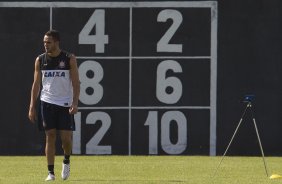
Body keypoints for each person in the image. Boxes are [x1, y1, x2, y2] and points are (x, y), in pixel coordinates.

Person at [28, 30, 80, 181]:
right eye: (44, 42)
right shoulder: (40, 60)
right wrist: (32, 106)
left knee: (65, 139)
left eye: (48, 42)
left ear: (57, 42)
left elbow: (76, 83)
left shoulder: (69, 59)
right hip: (47, 103)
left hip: (65, 103)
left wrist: (75, 102)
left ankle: (66, 160)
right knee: (50, 136)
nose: (46, 45)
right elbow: (36, 84)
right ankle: (51, 173)